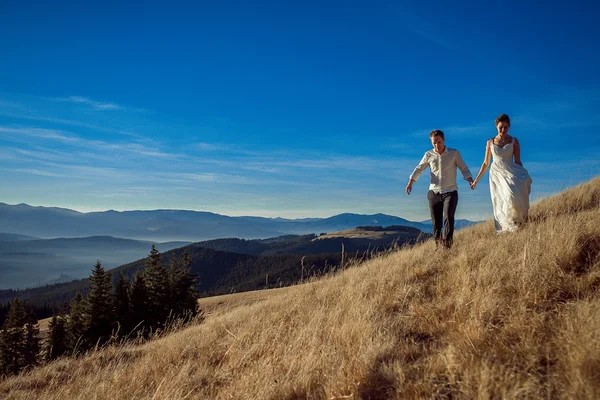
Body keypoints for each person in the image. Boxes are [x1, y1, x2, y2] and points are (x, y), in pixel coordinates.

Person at [406, 130, 473, 248]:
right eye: (434, 143)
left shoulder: (454, 153)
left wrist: (470, 180)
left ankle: (447, 247)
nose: (437, 145)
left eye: (439, 142)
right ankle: (438, 246)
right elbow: (419, 169)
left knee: (448, 218)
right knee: (436, 223)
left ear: (444, 140)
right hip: (434, 192)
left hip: (450, 191)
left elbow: (463, 168)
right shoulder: (428, 155)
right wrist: (410, 182)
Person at [470, 113, 532, 232]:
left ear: (509, 127)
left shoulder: (514, 141)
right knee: (502, 199)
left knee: (513, 195)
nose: (503, 130)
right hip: (497, 174)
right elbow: (486, 163)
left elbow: (518, 161)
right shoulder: (490, 142)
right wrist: (476, 181)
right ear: (496, 127)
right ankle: (506, 226)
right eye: (500, 127)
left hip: (511, 171)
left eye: (506, 127)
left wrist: (523, 177)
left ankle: (518, 223)